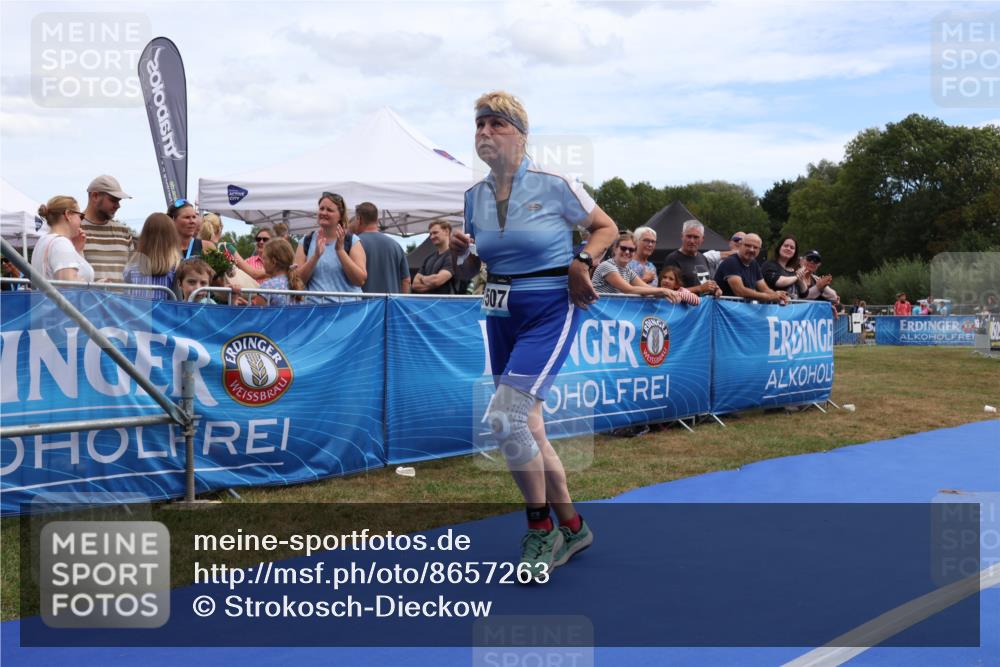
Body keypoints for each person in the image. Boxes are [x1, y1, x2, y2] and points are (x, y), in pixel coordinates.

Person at [450, 91, 618, 580]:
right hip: (500, 309)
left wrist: (583, 261)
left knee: (504, 419)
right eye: (478, 124)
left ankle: (541, 528)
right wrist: (466, 250)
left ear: (521, 135)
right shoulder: (472, 197)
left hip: (548, 306)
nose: (483, 132)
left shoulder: (555, 182)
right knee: (530, 426)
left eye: (495, 124)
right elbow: (479, 260)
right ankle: (573, 524)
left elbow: (606, 227)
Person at [294, 192, 367, 303]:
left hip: (347, 312)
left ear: (340, 216)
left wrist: (340, 251)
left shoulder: (352, 241)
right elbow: (297, 281)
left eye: (329, 210)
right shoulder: (306, 241)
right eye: (321, 208)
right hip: (315, 312)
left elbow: (360, 280)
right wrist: (315, 257)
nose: (324, 212)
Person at [592, 232, 681, 300]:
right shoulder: (607, 266)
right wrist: (662, 291)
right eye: (623, 248)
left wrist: (673, 293)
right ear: (615, 248)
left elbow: (646, 288)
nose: (627, 252)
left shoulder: (628, 270)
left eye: (631, 250)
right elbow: (628, 290)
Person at [81, 175, 134, 282]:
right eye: (113, 200)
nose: (118, 206)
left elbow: (132, 274)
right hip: (86, 299)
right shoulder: (74, 229)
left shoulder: (124, 232)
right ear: (95, 196)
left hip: (122, 299)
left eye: (119, 201)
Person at [31, 196, 94, 283]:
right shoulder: (61, 243)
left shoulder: (43, 241)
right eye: (81, 216)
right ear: (68, 214)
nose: (81, 221)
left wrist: (77, 250)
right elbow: (70, 288)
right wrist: (97, 288)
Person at [713, 233, 789, 304]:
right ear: (740, 246)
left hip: (738, 312)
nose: (751, 249)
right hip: (725, 313)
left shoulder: (753, 263)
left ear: (759, 250)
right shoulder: (731, 262)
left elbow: (764, 288)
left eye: (755, 247)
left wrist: (778, 296)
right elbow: (740, 291)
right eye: (748, 246)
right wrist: (769, 297)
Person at [355, 202, 410, 294]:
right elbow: (406, 280)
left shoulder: (355, 243)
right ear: (377, 220)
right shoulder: (396, 245)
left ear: (359, 220)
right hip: (391, 304)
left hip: (365, 305)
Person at [123, 213, 180, 299]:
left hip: (138, 311)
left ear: (144, 236)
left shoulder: (130, 268)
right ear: (172, 237)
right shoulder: (176, 268)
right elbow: (177, 301)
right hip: (163, 312)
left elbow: (126, 298)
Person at [662, 220, 722, 297]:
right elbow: (667, 291)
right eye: (689, 236)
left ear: (702, 239)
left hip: (703, 307)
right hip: (682, 307)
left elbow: (706, 284)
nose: (692, 241)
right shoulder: (672, 259)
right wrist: (699, 288)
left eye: (696, 237)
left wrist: (715, 289)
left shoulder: (703, 258)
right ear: (682, 236)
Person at [254, 238, 304, 305]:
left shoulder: (266, 287)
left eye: (264, 258)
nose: (263, 262)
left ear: (273, 262)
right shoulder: (296, 284)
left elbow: (259, 314)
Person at [413, 220, 457, 294]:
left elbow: (437, 280)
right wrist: (432, 283)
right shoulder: (428, 258)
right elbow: (414, 285)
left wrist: (422, 278)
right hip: (428, 304)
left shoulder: (454, 256)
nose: (432, 237)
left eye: (435, 233)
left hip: (446, 303)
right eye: (430, 234)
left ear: (446, 231)